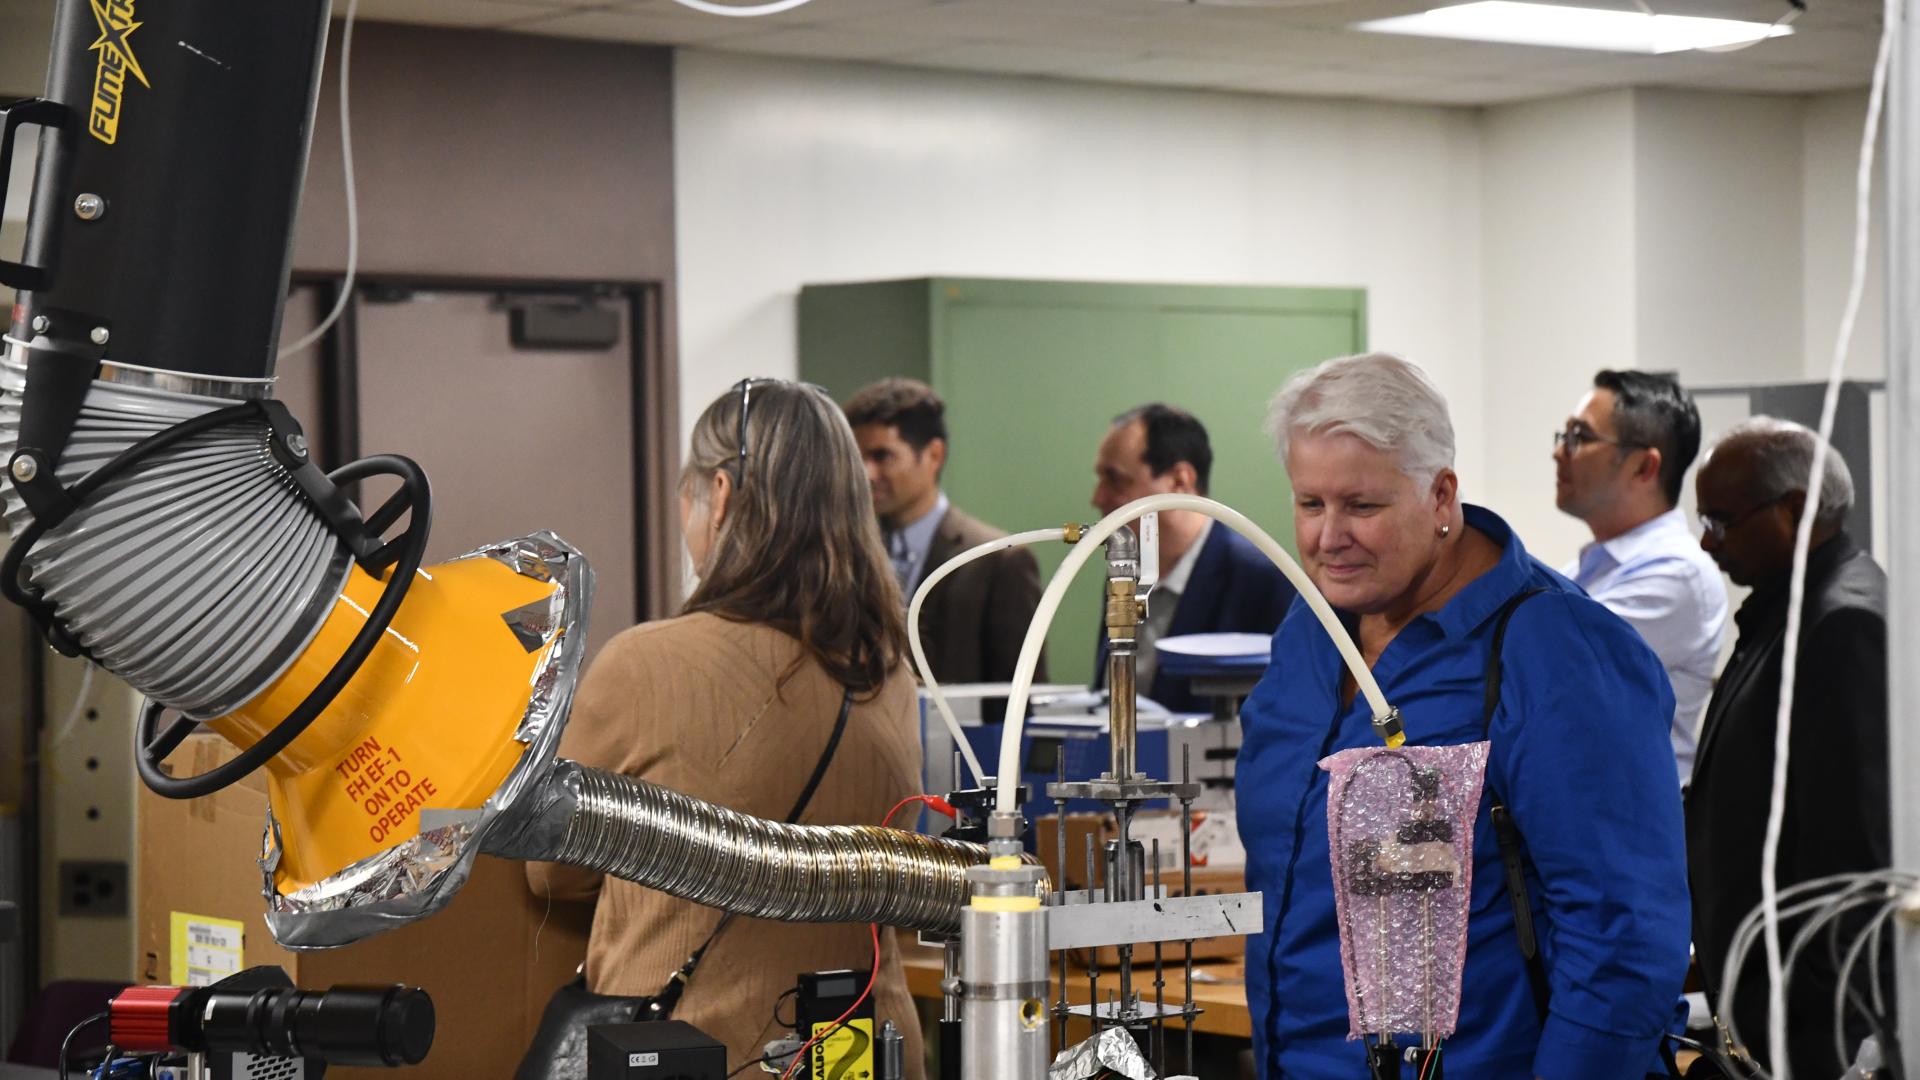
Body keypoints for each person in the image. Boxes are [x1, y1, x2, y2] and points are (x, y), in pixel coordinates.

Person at [1238, 353, 1690, 1079]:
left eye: (1362, 506)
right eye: (1309, 504)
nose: (1328, 539)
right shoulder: (1310, 632)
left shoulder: (1553, 650)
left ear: (1441, 495)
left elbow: (1624, 946)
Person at [526, 378, 927, 1078]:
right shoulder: (886, 672)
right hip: (861, 1046)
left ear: (720, 495)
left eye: (687, 497)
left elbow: (554, 872)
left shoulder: (643, 663)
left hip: (691, 1044)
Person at [1687, 417, 1890, 1078]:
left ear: (1796, 510)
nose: (1706, 540)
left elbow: (1855, 861)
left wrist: (1811, 1033)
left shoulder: (1843, 624)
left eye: (1720, 519)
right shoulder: (1785, 611)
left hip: (1810, 1034)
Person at [1554, 370, 1727, 783]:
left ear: (1644, 466)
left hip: (1632, 832)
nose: (1561, 452)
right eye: (1562, 436)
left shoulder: (1677, 574)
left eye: (1580, 437)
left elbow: (1549, 667)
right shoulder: (1585, 569)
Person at [1090, 403, 1297, 712]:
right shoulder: (1125, 573)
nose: (1097, 498)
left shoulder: (1260, 582)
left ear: (1179, 480)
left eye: (1115, 479)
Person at [844, 377, 1044, 687]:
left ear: (934, 455)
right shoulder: (846, 555)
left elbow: (1021, 697)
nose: (867, 474)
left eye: (882, 456)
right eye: (859, 459)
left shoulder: (998, 560)